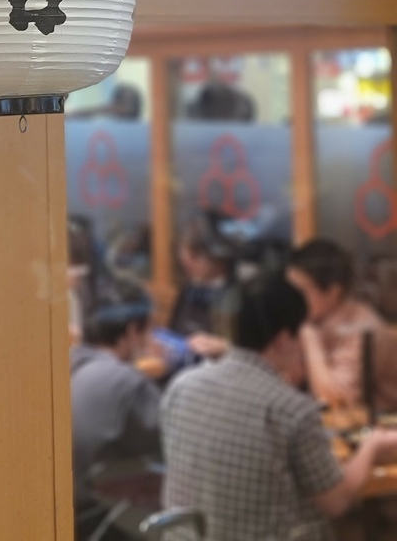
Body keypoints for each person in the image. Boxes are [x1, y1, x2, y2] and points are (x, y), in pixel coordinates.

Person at [161, 273, 397, 541]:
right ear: (284, 339)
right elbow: (336, 501)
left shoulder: (181, 386)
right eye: (302, 335)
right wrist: (373, 445)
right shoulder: (290, 410)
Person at [71, 300, 161, 535]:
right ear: (132, 331)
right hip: (102, 516)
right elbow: (169, 443)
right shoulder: (129, 383)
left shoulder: (66, 361)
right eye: (148, 331)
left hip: (68, 509)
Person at [287, 238, 397, 412]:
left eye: (301, 291)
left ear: (333, 291)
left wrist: (309, 339)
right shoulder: (316, 320)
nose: (291, 298)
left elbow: (336, 402)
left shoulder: (361, 328)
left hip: (381, 423)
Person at [167, 214, 237, 358]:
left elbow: (250, 353)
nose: (186, 260)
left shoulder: (238, 296)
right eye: (184, 252)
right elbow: (173, 332)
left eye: (196, 254)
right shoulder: (188, 290)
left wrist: (226, 348)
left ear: (221, 257)